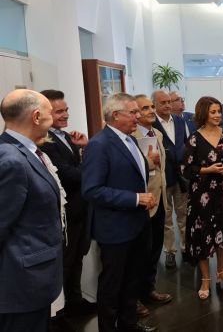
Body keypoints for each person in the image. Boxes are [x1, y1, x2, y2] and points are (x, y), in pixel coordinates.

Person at [82, 93, 157, 332]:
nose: (139, 116)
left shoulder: (130, 140)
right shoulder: (99, 144)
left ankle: (129, 324)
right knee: (112, 285)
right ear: (115, 115)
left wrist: (144, 196)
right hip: (114, 228)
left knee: (132, 279)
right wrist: (136, 199)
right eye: (133, 112)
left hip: (137, 223)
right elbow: (92, 190)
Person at [0, 90, 62, 332]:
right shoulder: (11, 159)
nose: (54, 119)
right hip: (20, 284)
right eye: (50, 113)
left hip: (32, 280)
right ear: (36, 117)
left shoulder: (24, 151)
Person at [39, 89, 96, 318]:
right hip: (66, 212)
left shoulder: (66, 136)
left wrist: (83, 149)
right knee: (65, 262)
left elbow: (76, 169)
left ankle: (75, 300)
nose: (65, 115)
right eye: (58, 111)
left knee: (77, 258)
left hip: (79, 208)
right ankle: (60, 310)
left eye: (66, 110)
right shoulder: (46, 142)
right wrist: (87, 164)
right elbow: (69, 176)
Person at [181, 96, 223, 300]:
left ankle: (222, 272)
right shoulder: (194, 138)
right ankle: (206, 279)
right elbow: (186, 169)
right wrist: (207, 169)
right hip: (202, 195)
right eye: (213, 112)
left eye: (219, 111)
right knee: (203, 235)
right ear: (203, 114)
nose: (218, 115)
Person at [132, 95, 172, 318]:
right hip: (142, 203)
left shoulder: (156, 133)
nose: (150, 110)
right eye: (144, 108)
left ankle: (148, 289)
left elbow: (161, 169)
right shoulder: (131, 137)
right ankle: (134, 298)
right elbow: (135, 167)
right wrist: (149, 161)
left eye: (150, 107)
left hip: (160, 201)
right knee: (140, 252)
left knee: (155, 248)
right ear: (135, 113)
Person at [152, 90, 188, 270]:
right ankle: (170, 252)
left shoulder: (180, 121)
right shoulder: (151, 124)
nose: (167, 105)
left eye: (169, 102)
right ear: (155, 106)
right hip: (162, 177)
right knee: (166, 217)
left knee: (184, 214)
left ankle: (186, 247)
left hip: (181, 176)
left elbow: (184, 144)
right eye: (163, 102)